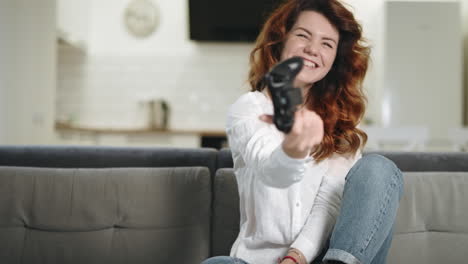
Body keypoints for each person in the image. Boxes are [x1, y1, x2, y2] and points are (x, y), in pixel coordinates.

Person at [202, 0, 403, 263]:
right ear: (281, 40)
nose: (312, 49)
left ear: (335, 60)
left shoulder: (342, 125)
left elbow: (327, 204)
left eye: (327, 44)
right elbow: (270, 169)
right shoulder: (249, 109)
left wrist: (296, 258)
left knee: (378, 169)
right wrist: (293, 149)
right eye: (302, 35)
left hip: (327, 257)